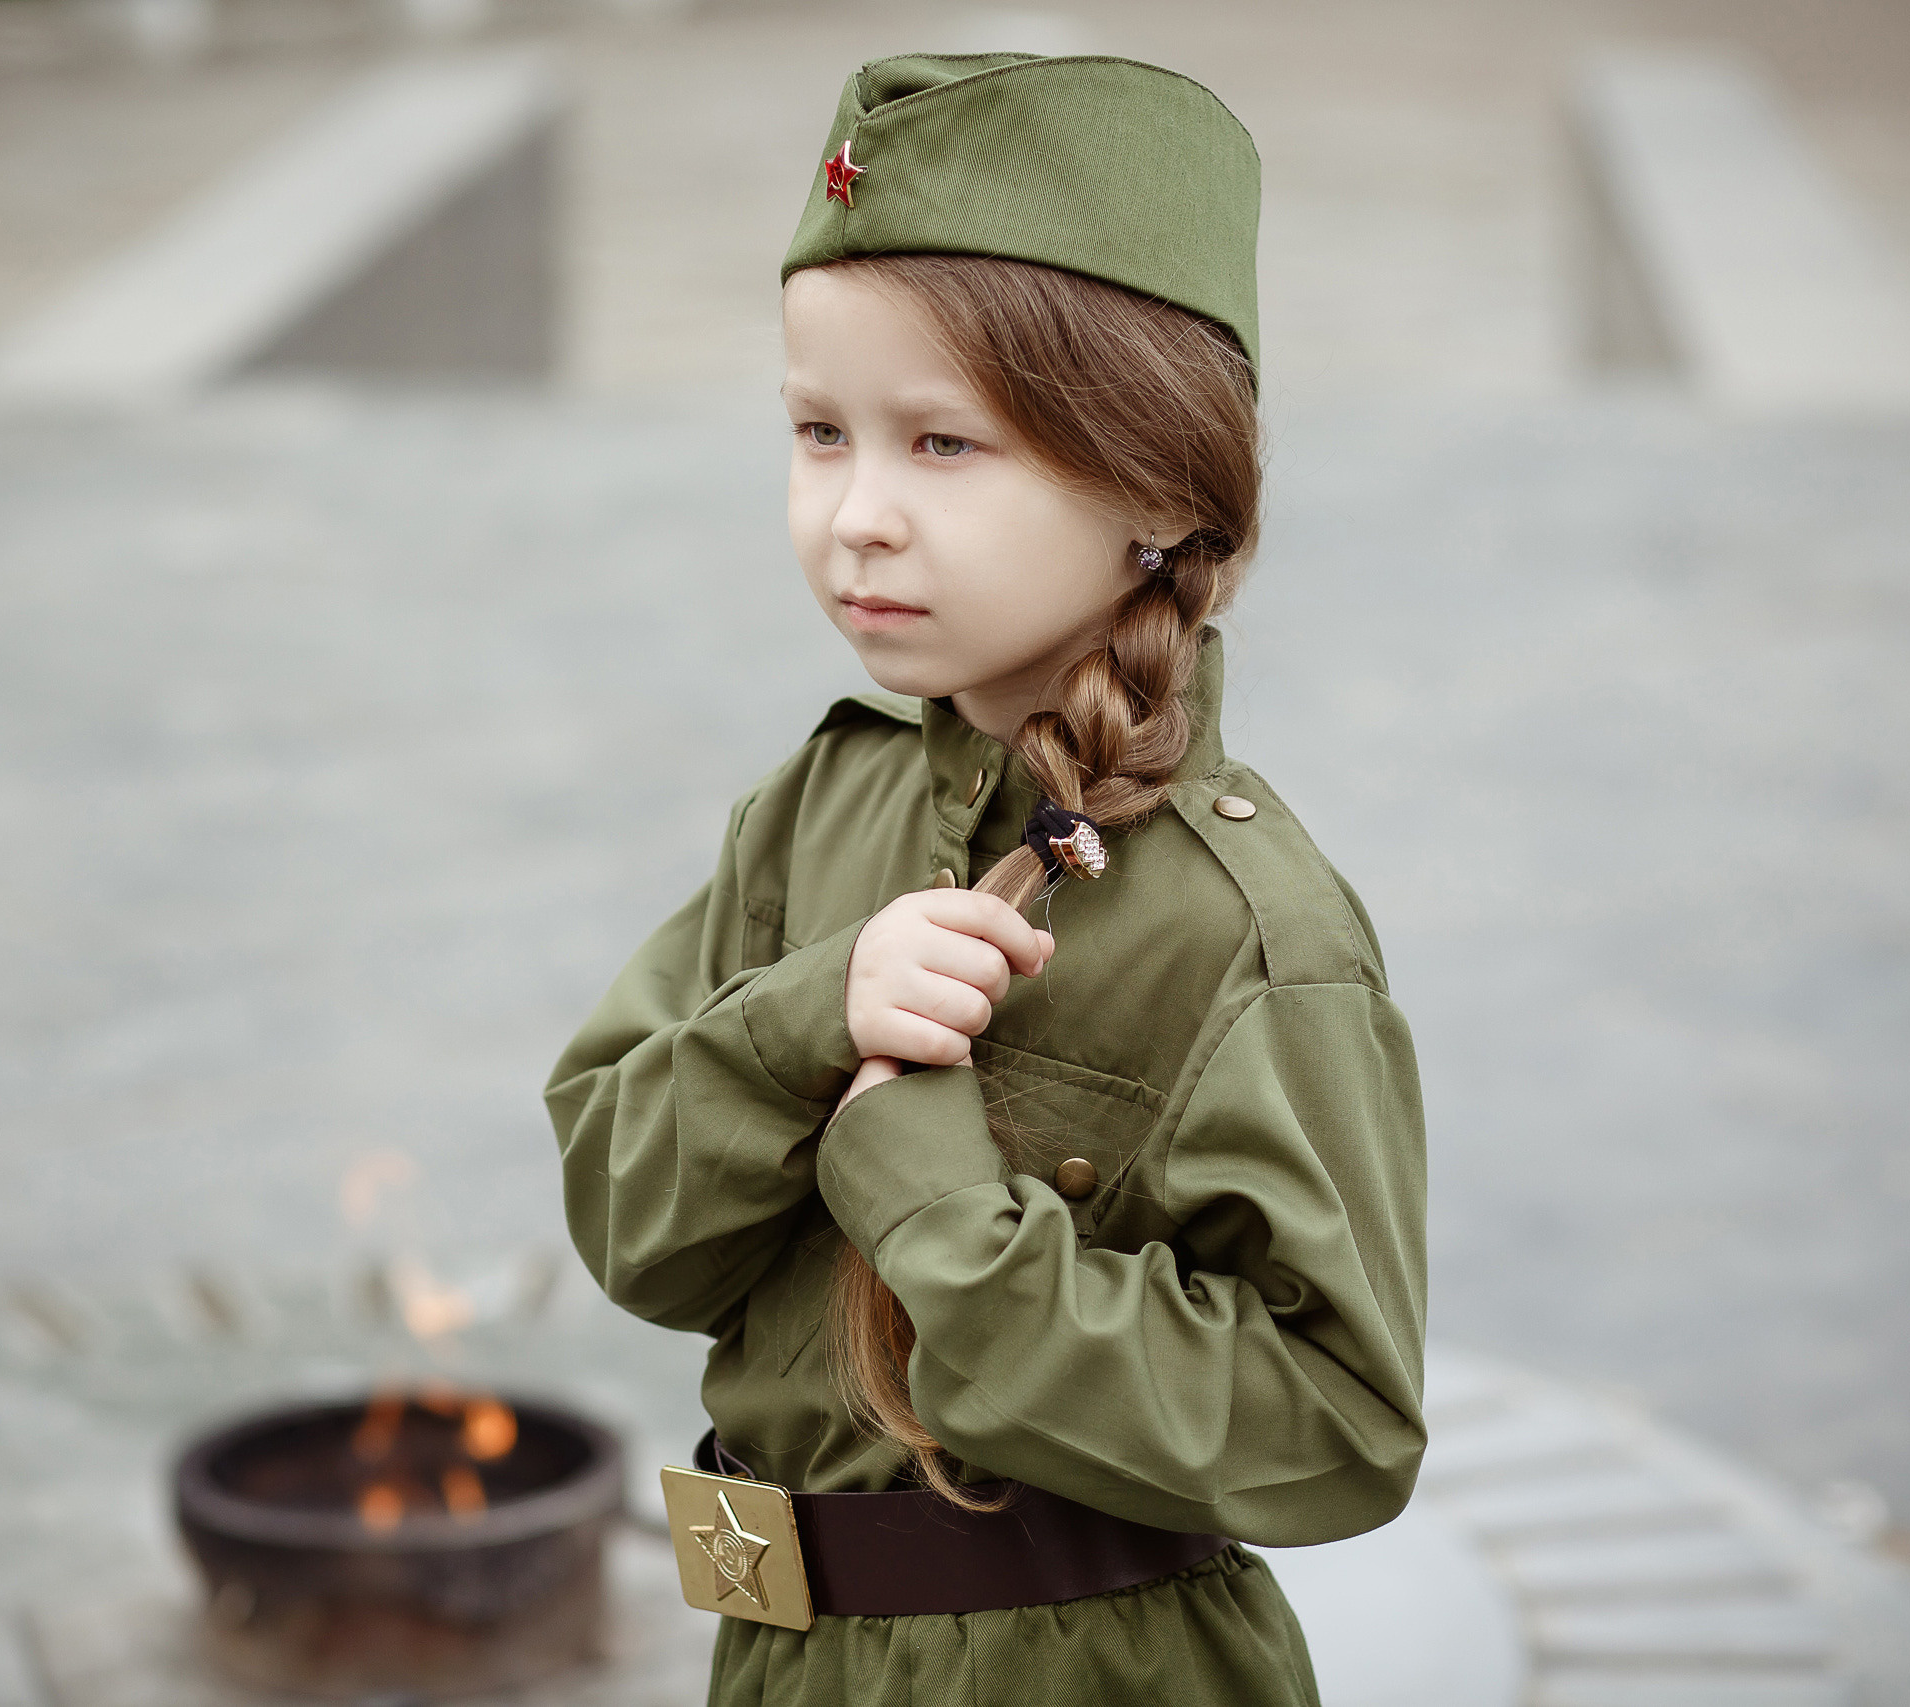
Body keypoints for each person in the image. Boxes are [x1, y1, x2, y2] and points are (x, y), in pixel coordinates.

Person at [550, 51, 1426, 1707]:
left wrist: (943, 1211)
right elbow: (631, 1230)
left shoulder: (1253, 935)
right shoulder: (813, 810)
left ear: (1162, 485)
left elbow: (1339, 1434)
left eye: (943, 445)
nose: (854, 519)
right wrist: (802, 1022)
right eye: (820, 433)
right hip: (778, 1657)